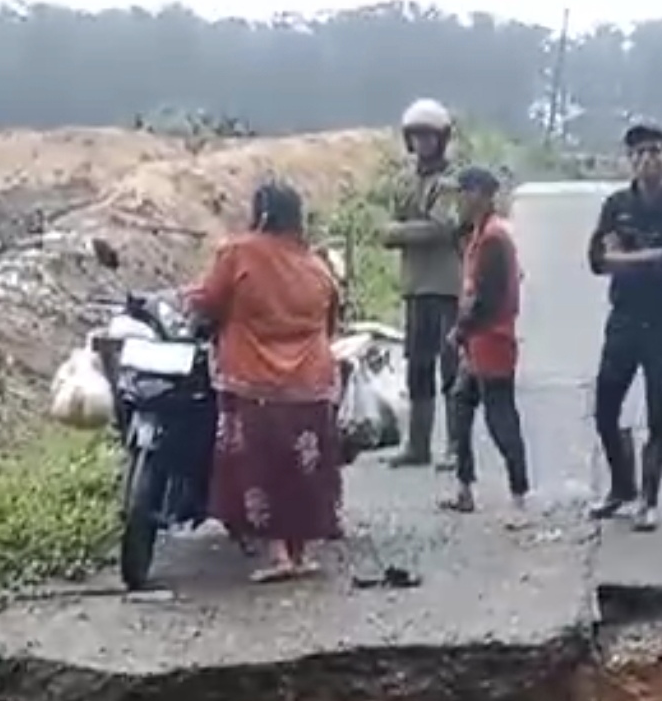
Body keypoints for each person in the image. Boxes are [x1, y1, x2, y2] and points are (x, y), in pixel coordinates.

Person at [188, 179, 343, 583]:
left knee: (262, 469)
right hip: (311, 383)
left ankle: (278, 555)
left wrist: (193, 305)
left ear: (263, 213)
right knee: (304, 469)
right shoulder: (317, 266)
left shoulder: (238, 253)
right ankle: (302, 553)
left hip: (253, 382)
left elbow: (207, 302)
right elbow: (330, 323)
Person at [587, 119, 662, 533]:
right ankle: (621, 487)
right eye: (637, 153)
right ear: (628, 160)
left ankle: (649, 500)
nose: (646, 159)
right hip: (624, 318)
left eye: (654, 151)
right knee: (604, 410)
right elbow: (597, 259)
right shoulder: (617, 204)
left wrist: (626, 256)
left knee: (656, 414)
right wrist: (644, 255)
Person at [440, 166, 529, 517]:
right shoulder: (480, 233)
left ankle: (519, 494)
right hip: (479, 342)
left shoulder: (493, 238)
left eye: (463, 192)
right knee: (461, 408)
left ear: (480, 194)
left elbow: (487, 299)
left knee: (500, 417)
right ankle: (464, 487)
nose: (459, 199)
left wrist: (460, 330)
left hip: (492, 340)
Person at [380, 97, 463, 471]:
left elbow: (444, 227)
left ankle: (456, 447)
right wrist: (407, 230)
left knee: (451, 370)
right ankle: (418, 444)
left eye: (429, 136)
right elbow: (406, 227)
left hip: (447, 285)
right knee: (418, 367)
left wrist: (400, 231)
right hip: (415, 285)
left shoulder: (452, 180)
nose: (422, 143)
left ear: (442, 139)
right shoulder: (405, 180)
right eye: (416, 137)